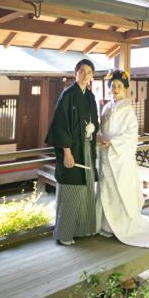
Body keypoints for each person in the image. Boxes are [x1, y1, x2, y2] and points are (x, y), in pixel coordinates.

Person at [97, 69, 149, 248]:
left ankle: (122, 225)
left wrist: (112, 142)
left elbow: (131, 135)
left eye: (119, 86)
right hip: (106, 155)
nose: (115, 89)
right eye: (113, 86)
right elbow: (101, 127)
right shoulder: (107, 107)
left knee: (119, 189)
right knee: (106, 189)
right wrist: (100, 136)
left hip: (119, 156)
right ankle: (107, 226)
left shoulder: (128, 109)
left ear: (125, 89)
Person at [45, 59, 99, 246]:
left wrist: (95, 132)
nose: (85, 75)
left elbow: (95, 122)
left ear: (92, 76)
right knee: (71, 191)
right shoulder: (68, 95)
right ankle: (65, 234)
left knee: (86, 191)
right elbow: (60, 125)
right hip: (72, 149)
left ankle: (83, 229)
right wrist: (67, 153)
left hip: (87, 148)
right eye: (82, 71)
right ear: (75, 73)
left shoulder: (90, 97)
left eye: (89, 72)